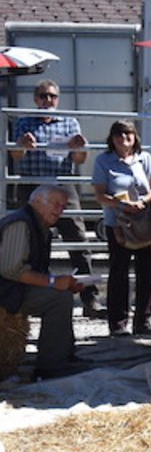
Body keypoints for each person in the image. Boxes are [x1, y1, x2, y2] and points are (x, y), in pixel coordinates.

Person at [8, 78, 100, 318]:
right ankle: (33, 295)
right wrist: (22, 144)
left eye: (52, 96)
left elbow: (80, 160)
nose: (48, 100)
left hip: (63, 184)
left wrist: (80, 148)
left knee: (79, 240)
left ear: (57, 99)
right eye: (43, 96)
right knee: (31, 241)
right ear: (35, 99)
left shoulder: (69, 122)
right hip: (31, 185)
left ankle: (90, 298)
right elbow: (15, 155)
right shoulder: (24, 121)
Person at [0, 185, 85, 379]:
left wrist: (62, 283)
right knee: (59, 299)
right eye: (55, 204)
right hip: (6, 291)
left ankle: (63, 355)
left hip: (12, 288)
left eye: (63, 206)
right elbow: (10, 269)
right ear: (36, 202)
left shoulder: (39, 224)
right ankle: (51, 366)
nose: (59, 210)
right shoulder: (21, 223)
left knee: (62, 294)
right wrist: (54, 282)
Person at [91, 119, 151, 338]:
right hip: (118, 224)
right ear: (112, 139)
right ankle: (118, 322)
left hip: (146, 222)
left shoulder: (145, 158)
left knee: (146, 272)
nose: (124, 138)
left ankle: (143, 320)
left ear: (135, 137)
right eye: (119, 135)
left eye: (128, 134)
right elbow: (100, 194)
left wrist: (143, 202)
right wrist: (121, 204)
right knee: (119, 272)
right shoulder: (103, 161)